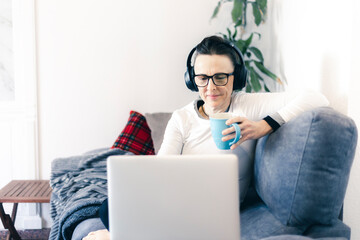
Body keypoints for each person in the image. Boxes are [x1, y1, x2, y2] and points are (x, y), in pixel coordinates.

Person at [83, 35, 329, 240]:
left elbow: (316, 98)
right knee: (110, 206)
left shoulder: (248, 106)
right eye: (202, 78)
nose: (211, 88)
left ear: (237, 78)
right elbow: (160, 172)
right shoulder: (181, 118)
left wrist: (263, 126)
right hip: (175, 203)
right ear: (192, 79)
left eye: (220, 77)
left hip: (219, 210)